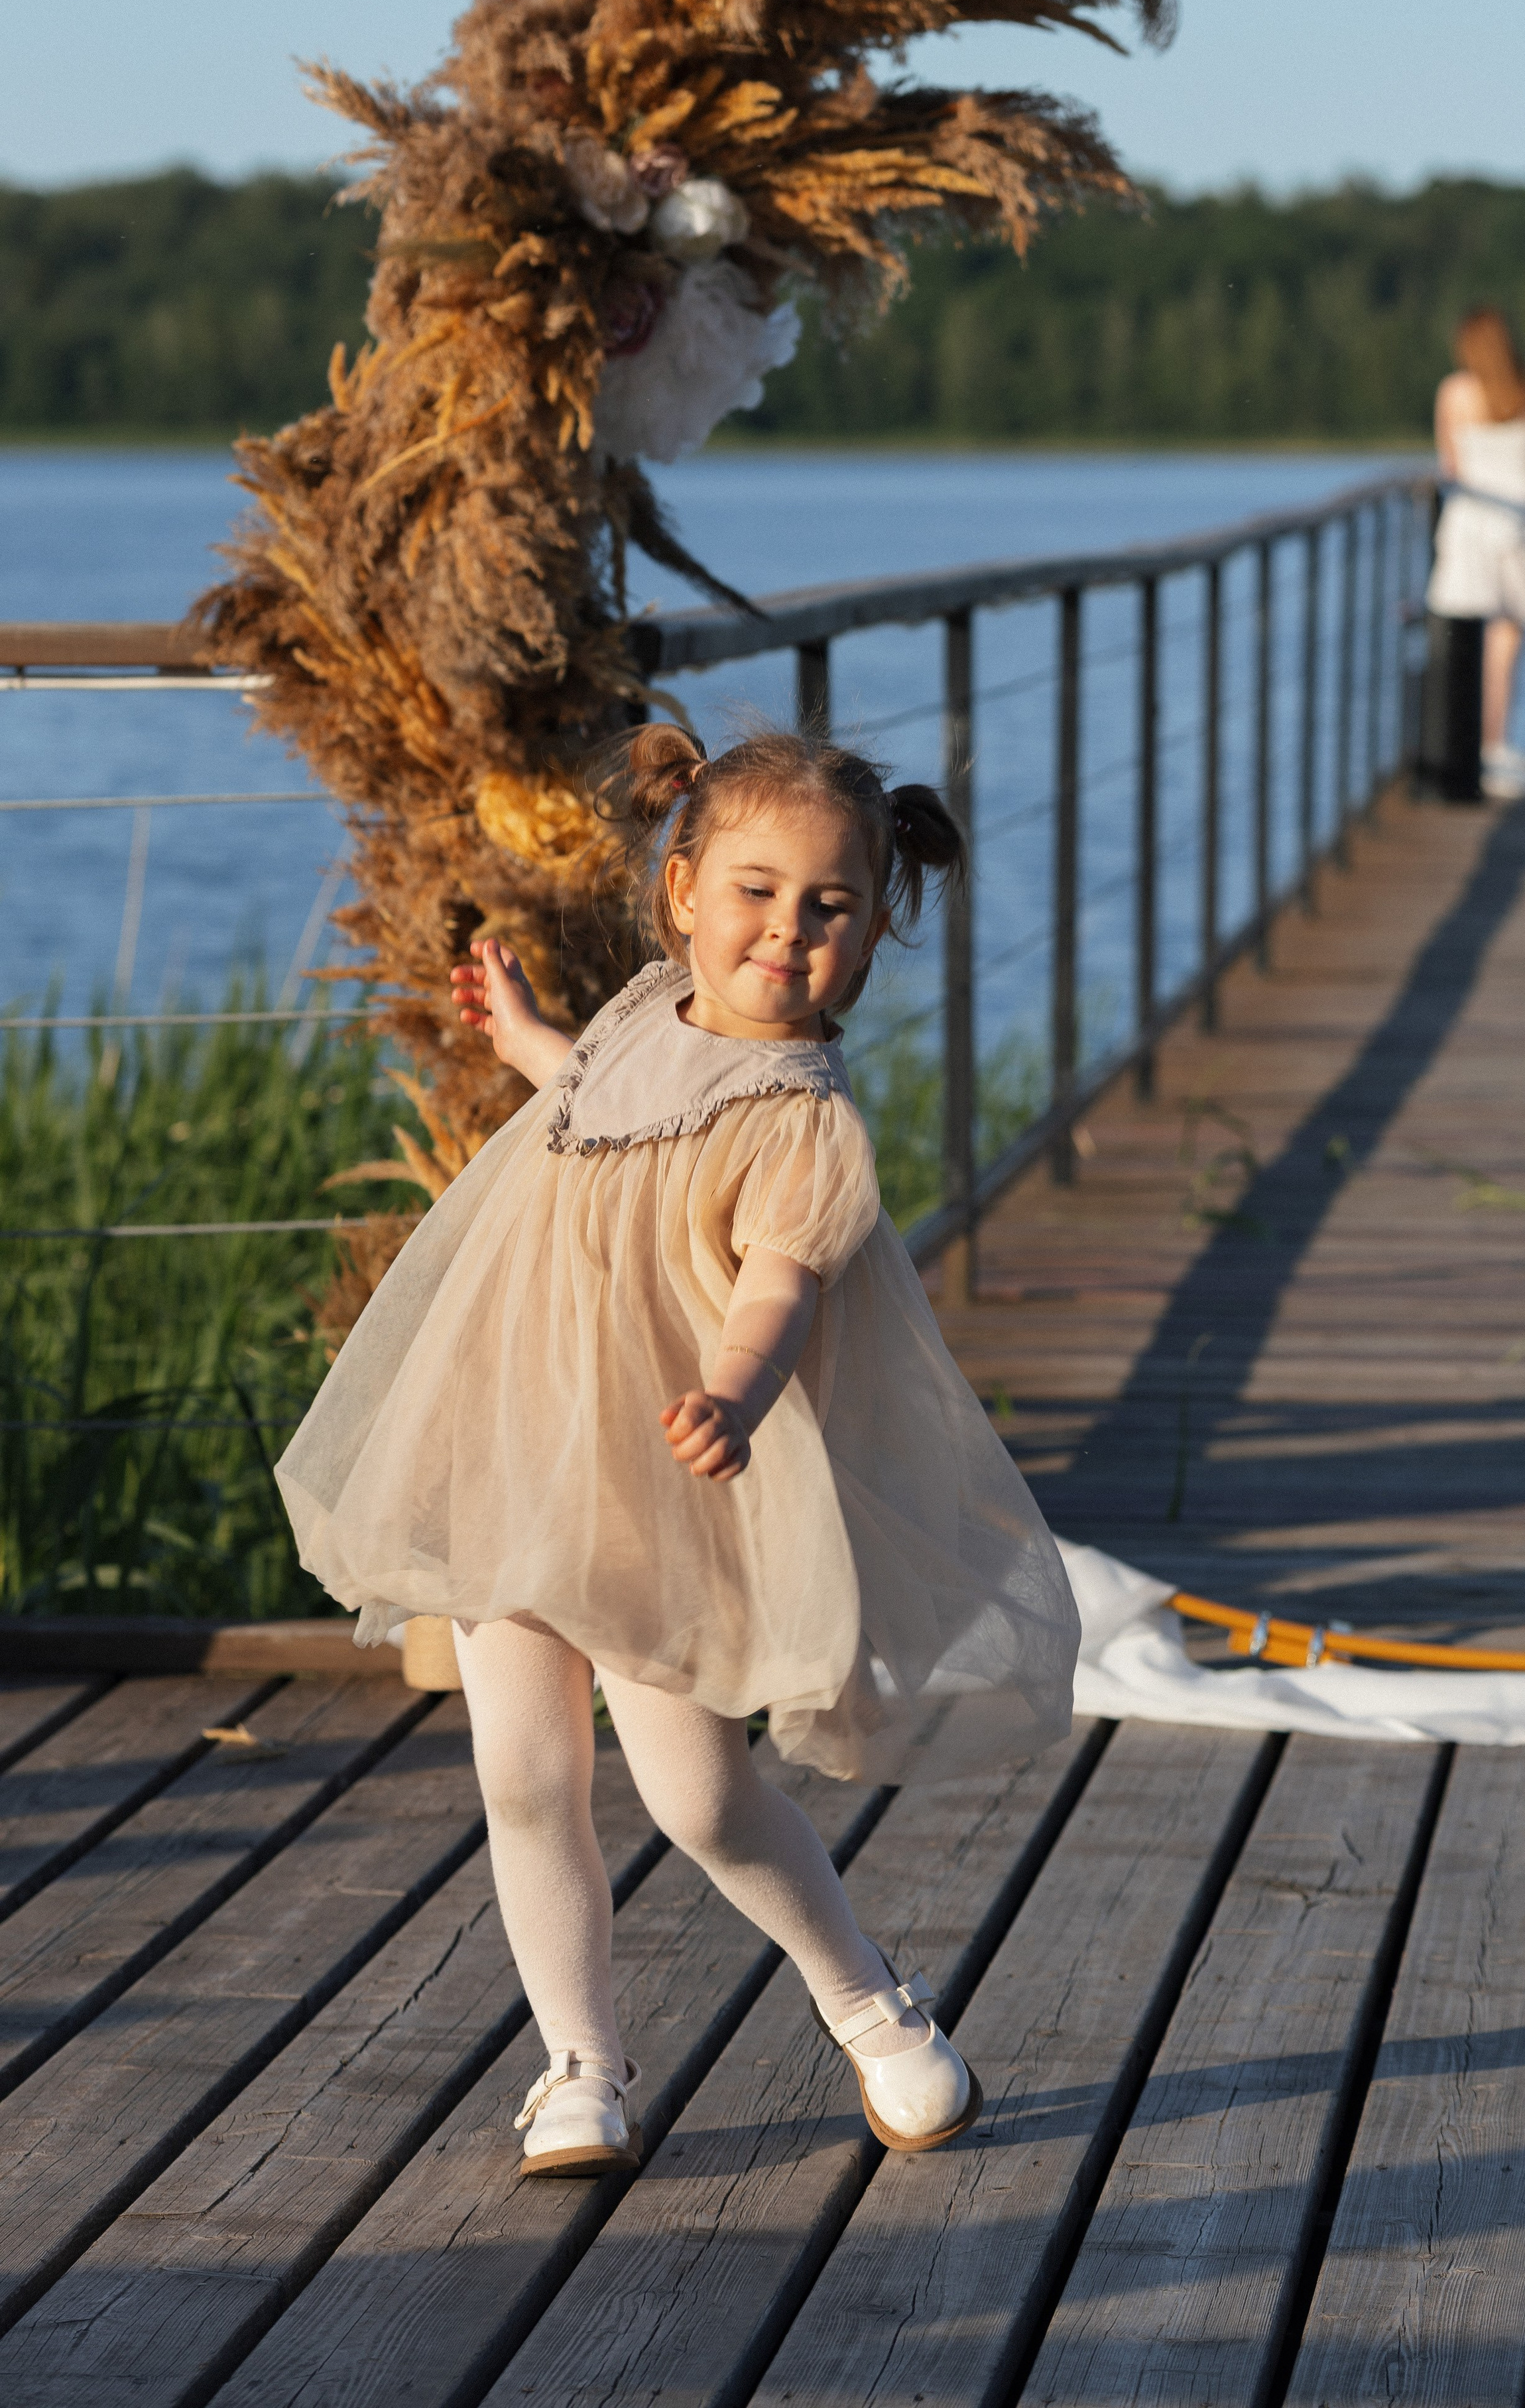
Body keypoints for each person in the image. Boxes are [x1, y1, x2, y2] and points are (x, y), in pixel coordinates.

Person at [275, 724, 1080, 2179]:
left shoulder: (805, 1122)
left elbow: (781, 1282)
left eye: (827, 908)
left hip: (666, 1477)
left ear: (871, 930)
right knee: (522, 1772)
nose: (786, 934)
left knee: (697, 1797)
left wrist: (732, 1386)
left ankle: (871, 2007)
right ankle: (579, 2065)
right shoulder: (650, 1011)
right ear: (682, 896)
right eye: (755, 895)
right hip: (514, 1441)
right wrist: (524, 1037)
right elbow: (592, 1098)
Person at [1428, 304, 1525, 800]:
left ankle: (1465, 750)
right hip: (1522, 528)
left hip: (1470, 526)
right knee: (1506, 646)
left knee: (1463, 641)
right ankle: (1494, 745)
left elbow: (1450, 466)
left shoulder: (1454, 394)